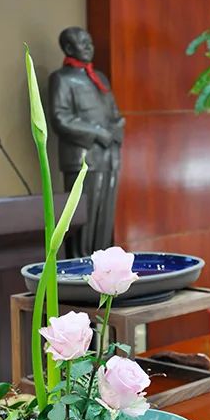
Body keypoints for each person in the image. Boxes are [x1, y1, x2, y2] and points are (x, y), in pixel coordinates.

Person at [48, 26, 125, 257]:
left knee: (104, 220)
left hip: (109, 158)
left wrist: (117, 127)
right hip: (83, 161)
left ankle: (102, 268)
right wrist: (98, 132)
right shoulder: (61, 79)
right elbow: (61, 118)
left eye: (90, 42)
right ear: (69, 48)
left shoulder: (99, 78)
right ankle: (80, 269)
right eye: (83, 43)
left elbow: (114, 113)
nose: (89, 47)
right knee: (83, 220)